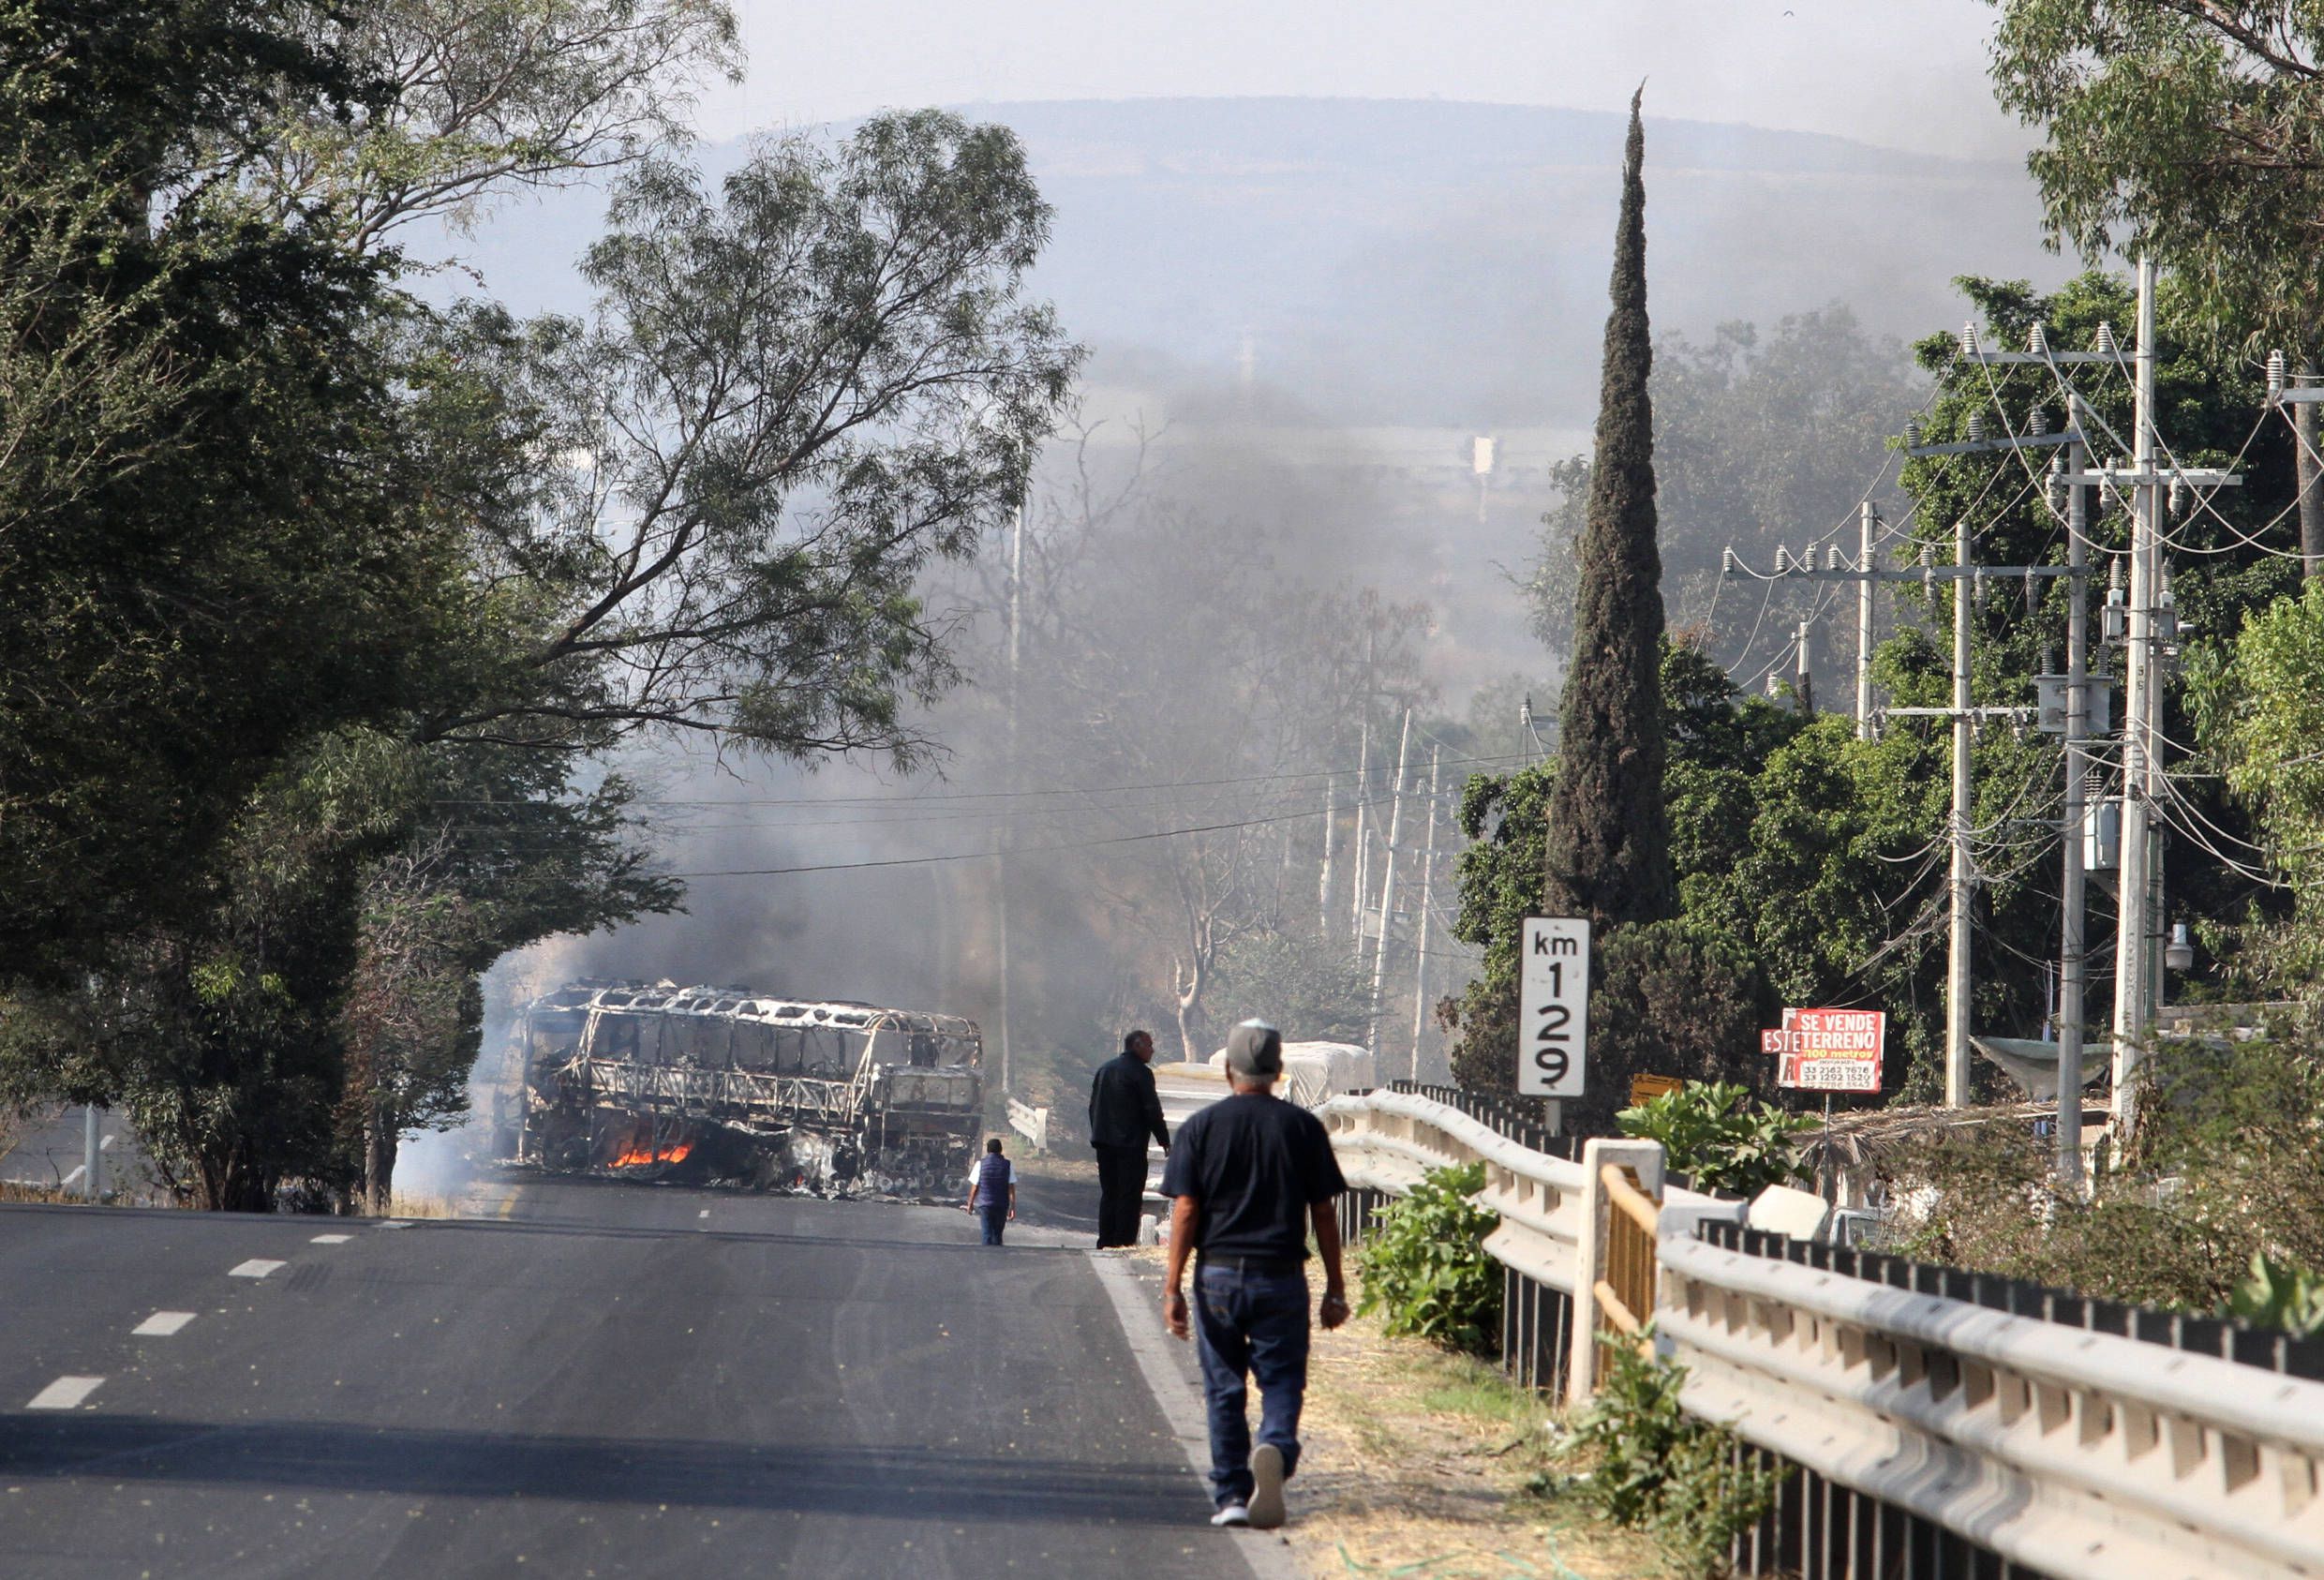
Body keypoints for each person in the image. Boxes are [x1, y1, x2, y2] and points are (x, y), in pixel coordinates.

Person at [1161, 1019, 1348, 1531]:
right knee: (1283, 1377)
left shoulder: (1201, 1128)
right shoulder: (1301, 1128)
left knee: (1223, 1386)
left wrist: (1173, 1286)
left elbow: (1184, 1211)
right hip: (1281, 1277)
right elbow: (1325, 1214)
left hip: (1218, 1276)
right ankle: (1276, 1447)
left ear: (1227, 1071)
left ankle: (1231, 1497)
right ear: (1278, 1071)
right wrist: (1335, 1286)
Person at [1088, 1028, 1169, 1248]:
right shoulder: (1141, 1073)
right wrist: (1164, 1140)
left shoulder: (1104, 1070)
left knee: (1110, 1192)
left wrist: (1098, 1133)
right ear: (1137, 1046)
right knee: (1130, 1194)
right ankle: (1122, 1240)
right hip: (1130, 1145)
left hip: (1104, 1143)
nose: (1153, 1050)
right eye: (1149, 1045)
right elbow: (1152, 1109)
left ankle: (1105, 1239)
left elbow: (1093, 1107)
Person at [967, 1137, 1017, 1246]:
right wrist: (1012, 1208)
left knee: (987, 1233)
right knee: (998, 1235)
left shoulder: (980, 1164)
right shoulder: (1008, 1165)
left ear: (988, 1150)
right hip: (1001, 1205)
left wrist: (970, 1204)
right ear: (1001, 1150)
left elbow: (975, 1187)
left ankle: (986, 1259)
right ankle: (997, 1259)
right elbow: (1011, 1188)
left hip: (985, 1205)